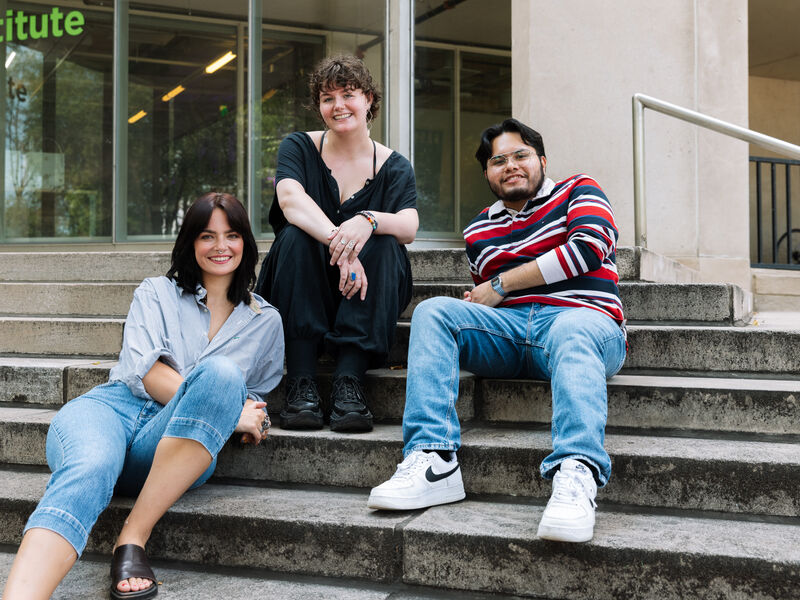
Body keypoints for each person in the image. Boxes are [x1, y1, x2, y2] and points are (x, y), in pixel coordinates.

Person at [2, 193, 284, 600]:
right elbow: (147, 373)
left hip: (177, 443)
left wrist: (242, 413)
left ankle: (132, 538)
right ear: (190, 242)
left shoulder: (265, 321)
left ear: (247, 244)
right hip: (111, 411)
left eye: (232, 235)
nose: (220, 246)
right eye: (207, 236)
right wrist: (230, 411)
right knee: (90, 464)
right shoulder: (156, 292)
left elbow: (248, 399)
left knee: (222, 374)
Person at [367, 118, 626, 543]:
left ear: (541, 160)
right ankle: (433, 459)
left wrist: (502, 284)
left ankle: (575, 473)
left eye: (521, 155)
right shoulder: (477, 229)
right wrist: (482, 299)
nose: (511, 166)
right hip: (511, 333)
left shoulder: (580, 189)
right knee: (434, 312)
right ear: (488, 173)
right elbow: (485, 296)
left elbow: (587, 249)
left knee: (572, 327)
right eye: (498, 161)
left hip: (584, 322)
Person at [256, 54, 418, 433]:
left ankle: (349, 381)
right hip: (303, 280)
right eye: (327, 98)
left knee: (385, 244)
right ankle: (301, 381)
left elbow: (409, 226)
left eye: (348, 94)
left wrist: (368, 220)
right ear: (318, 107)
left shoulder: (394, 166)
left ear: (369, 101)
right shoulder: (298, 147)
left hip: (365, 287)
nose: (338, 106)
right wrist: (343, 248)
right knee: (295, 235)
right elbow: (291, 200)